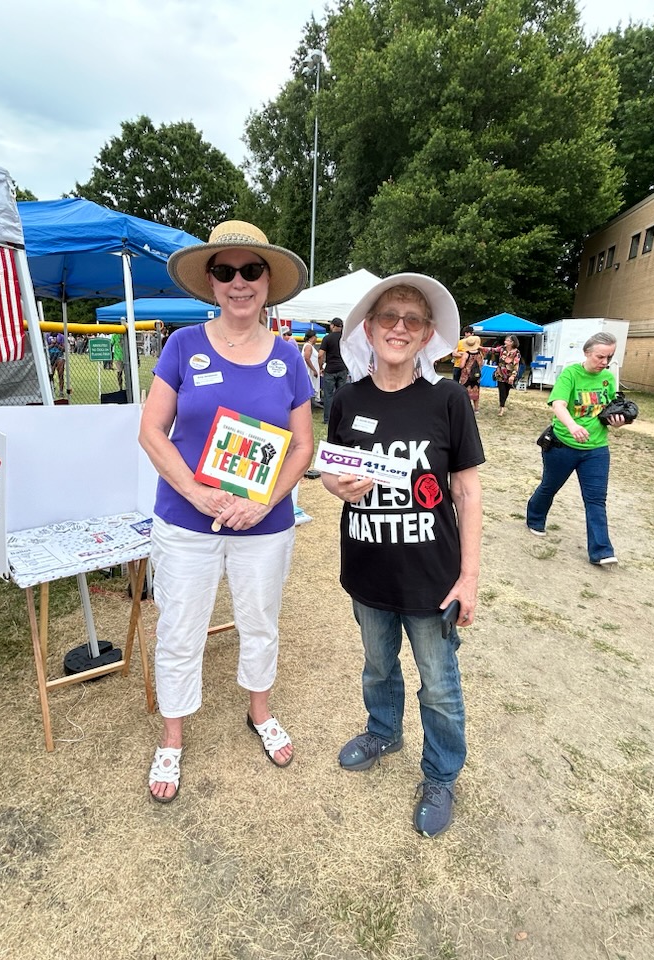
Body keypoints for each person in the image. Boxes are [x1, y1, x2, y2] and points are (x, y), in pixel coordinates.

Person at [139, 220, 314, 804]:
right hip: (186, 520)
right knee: (180, 628)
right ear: (210, 281)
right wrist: (197, 493)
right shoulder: (182, 345)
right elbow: (152, 431)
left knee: (259, 620)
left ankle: (259, 712)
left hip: (264, 526)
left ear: (268, 280)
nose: (239, 282)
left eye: (251, 270)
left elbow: (303, 444)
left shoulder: (290, 356)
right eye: (225, 271)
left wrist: (263, 500)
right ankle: (172, 736)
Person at [321, 273, 484, 839]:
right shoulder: (347, 398)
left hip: (432, 578)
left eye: (411, 320)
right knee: (378, 666)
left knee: (439, 685)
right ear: (367, 329)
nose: (398, 327)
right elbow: (332, 470)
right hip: (368, 570)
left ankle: (440, 774)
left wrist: (469, 577)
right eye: (388, 317)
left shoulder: (448, 399)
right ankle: (383, 730)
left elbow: (466, 491)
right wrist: (332, 486)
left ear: (427, 334)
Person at [525, 331, 627, 565]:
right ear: (587, 353)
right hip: (563, 445)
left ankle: (601, 551)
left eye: (609, 357)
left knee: (596, 499)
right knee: (550, 486)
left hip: (597, 448)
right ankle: (535, 517)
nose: (604, 362)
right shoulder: (571, 374)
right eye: (600, 357)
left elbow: (610, 409)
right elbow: (558, 404)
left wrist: (618, 421)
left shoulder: (608, 378)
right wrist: (572, 425)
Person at [319, 318, 348, 424]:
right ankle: (341, 418)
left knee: (328, 395)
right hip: (342, 368)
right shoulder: (345, 338)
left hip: (330, 369)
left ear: (332, 326)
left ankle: (327, 419)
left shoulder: (327, 338)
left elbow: (320, 354)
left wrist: (320, 366)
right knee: (342, 395)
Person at [492, 336, 522, 416]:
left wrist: (513, 376)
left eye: (507, 340)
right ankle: (501, 408)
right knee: (501, 391)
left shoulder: (516, 352)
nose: (505, 341)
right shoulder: (502, 349)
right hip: (500, 374)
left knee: (506, 391)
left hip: (509, 375)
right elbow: (493, 350)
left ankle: (503, 404)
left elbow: (516, 365)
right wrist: (480, 347)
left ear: (512, 342)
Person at [457, 335, 484, 411]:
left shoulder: (466, 354)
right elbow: (481, 364)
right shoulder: (480, 353)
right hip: (476, 375)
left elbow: (461, 365)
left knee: (465, 391)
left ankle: (466, 407)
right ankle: (476, 408)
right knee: (476, 390)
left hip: (466, 376)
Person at [301, 330, 322, 409]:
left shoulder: (309, 346)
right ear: (312, 337)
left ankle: (310, 405)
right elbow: (307, 358)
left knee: (310, 387)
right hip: (309, 371)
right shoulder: (308, 346)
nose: (316, 338)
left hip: (311, 370)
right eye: (316, 337)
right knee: (309, 387)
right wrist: (314, 370)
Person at [47, 333, 67, 398]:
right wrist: (52, 344)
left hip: (59, 356)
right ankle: (52, 389)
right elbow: (45, 348)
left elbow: (64, 349)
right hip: (50, 356)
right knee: (50, 374)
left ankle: (61, 391)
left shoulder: (61, 336)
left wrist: (57, 344)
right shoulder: (46, 335)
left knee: (60, 374)